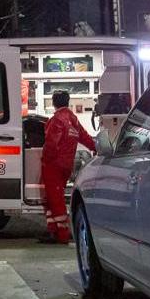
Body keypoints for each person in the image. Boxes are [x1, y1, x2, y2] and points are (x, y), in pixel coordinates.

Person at [40, 90, 96, 244]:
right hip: (66, 165)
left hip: (53, 165)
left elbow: (51, 143)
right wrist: (95, 147)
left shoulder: (57, 120)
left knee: (54, 199)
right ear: (67, 101)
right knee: (52, 197)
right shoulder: (73, 119)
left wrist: (45, 160)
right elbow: (84, 137)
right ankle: (53, 230)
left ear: (53, 102)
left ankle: (62, 234)